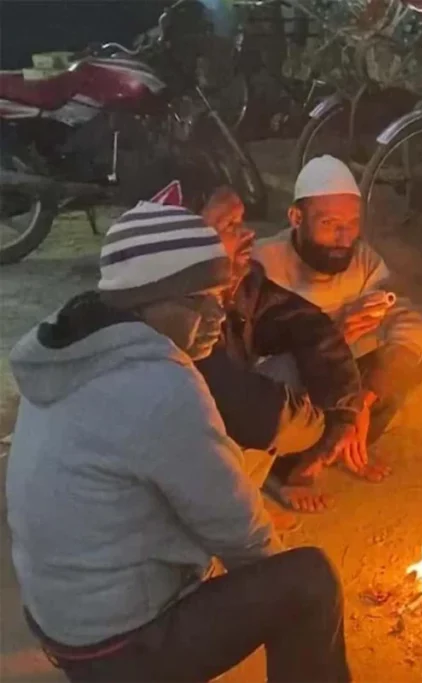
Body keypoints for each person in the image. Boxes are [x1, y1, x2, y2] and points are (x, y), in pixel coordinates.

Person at [5, 202, 350, 682]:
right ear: (144, 301)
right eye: (196, 299)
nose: (217, 314)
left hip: (62, 624)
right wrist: (274, 587)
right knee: (309, 580)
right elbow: (238, 530)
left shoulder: (73, 352)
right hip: (118, 651)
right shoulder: (160, 384)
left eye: (219, 295)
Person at [254, 155, 422, 482]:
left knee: (403, 363)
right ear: (296, 218)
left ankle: (346, 447)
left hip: (343, 393)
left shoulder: (363, 260)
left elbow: (409, 321)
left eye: (352, 223)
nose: (344, 236)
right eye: (329, 223)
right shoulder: (262, 265)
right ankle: (286, 471)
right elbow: (247, 362)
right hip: (289, 388)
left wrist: (363, 399)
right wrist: (334, 337)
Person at [196, 187, 364, 513]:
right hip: (179, 450)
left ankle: (251, 486)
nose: (248, 233)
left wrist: (343, 413)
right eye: (230, 225)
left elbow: (307, 325)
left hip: (220, 423)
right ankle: (231, 505)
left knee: (303, 363)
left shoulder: (241, 285)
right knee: (276, 419)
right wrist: (315, 428)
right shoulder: (175, 311)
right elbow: (224, 397)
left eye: (242, 221)